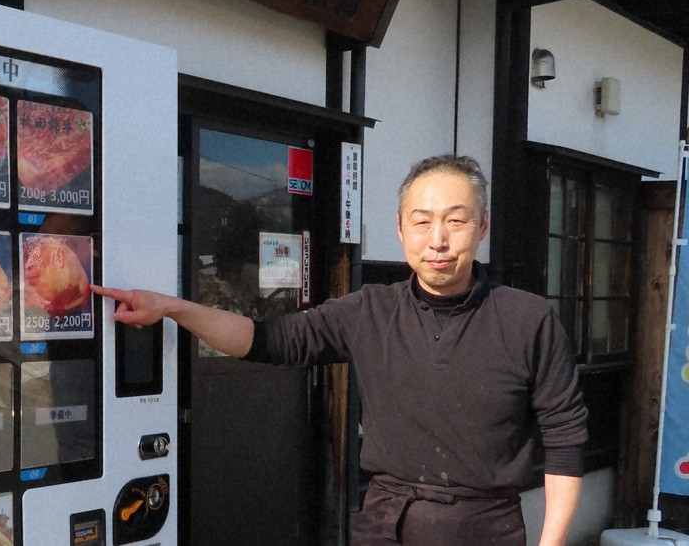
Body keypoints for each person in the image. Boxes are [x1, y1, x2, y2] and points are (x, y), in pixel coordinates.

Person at [92, 154, 588, 546]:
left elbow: (565, 438)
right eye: (422, 222)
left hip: (484, 525)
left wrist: (553, 540)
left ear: (482, 228)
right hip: (384, 520)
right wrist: (174, 307)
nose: (437, 239)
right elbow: (266, 340)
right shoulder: (370, 310)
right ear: (400, 230)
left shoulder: (528, 319)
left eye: (455, 221)